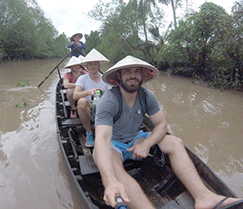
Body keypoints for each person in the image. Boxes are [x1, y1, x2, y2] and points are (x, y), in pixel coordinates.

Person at [93, 55, 243, 209]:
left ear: (142, 76)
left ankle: (204, 198)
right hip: (112, 144)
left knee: (175, 142)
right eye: (127, 71)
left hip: (135, 138)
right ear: (119, 76)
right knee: (114, 167)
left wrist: (147, 143)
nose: (132, 75)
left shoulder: (147, 96)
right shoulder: (109, 100)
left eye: (137, 71)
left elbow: (161, 125)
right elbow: (102, 139)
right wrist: (110, 181)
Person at [73, 48, 111, 147]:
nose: (93, 66)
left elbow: (111, 97)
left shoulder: (105, 80)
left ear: (99, 65)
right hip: (88, 106)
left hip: (102, 107)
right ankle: (89, 132)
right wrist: (88, 92)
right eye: (90, 64)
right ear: (87, 66)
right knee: (81, 101)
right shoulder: (82, 79)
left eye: (95, 64)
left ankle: (105, 132)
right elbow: (75, 95)